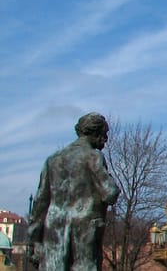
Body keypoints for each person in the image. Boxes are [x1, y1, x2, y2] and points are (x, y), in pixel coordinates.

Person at [28, 113, 120, 271]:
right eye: (104, 135)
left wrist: (34, 238)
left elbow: (40, 203)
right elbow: (110, 193)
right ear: (95, 133)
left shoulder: (53, 160)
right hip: (84, 226)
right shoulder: (93, 156)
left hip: (54, 224)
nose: (105, 140)